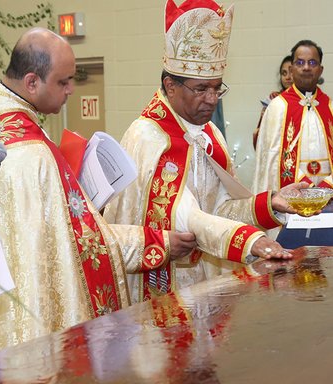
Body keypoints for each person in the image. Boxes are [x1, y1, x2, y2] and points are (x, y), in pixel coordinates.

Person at [0, 27, 200, 360]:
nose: (71, 90)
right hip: (22, 325)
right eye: (63, 82)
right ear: (32, 82)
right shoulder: (32, 155)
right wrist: (156, 243)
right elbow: (81, 247)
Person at [104, 0, 304, 304]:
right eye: (201, 89)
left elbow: (220, 210)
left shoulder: (210, 134)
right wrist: (250, 240)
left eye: (217, 88)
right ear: (170, 86)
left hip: (205, 283)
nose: (212, 100)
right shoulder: (148, 136)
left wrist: (270, 203)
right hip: (162, 287)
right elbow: (188, 219)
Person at [253, 40, 333, 247]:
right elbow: (268, 162)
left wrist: (325, 188)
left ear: (320, 69)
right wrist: (305, 190)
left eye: (312, 62)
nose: (306, 67)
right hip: (289, 202)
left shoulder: (331, 106)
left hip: (330, 201)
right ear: (292, 68)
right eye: (300, 62)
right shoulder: (277, 107)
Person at [253, 55, 293, 148]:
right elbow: (260, 137)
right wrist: (265, 116)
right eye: (284, 73)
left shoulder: (306, 100)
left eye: (291, 73)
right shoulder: (274, 99)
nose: (287, 77)